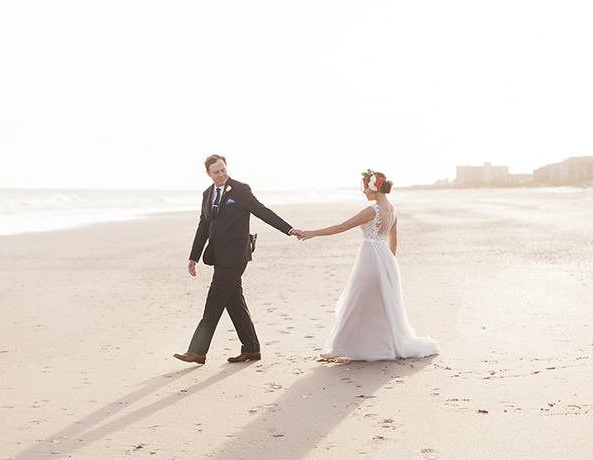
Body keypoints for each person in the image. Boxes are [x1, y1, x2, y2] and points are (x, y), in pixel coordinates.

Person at [299, 169, 439, 361]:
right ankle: (375, 346)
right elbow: (394, 241)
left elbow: (341, 227)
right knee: (379, 306)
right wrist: (389, 265)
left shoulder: (372, 211)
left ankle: (340, 349)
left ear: (375, 188)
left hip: (371, 258)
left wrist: (312, 232)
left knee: (355, 301)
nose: (363, 192)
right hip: (386, 258)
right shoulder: (392, 210)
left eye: (365, 188)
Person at [174, 155, 302, 364]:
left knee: (214, 301)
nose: (221, 174)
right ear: (208, 174)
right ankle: (251, 348)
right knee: (234, 302)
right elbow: (203, 226)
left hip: (236, 255)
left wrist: (289, 229)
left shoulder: (240, 190)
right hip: (218, 255)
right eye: (216, 172)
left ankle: (197, 351)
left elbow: (262, 211)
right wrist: (193, 257)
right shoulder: (207, 194)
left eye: (223, 170)